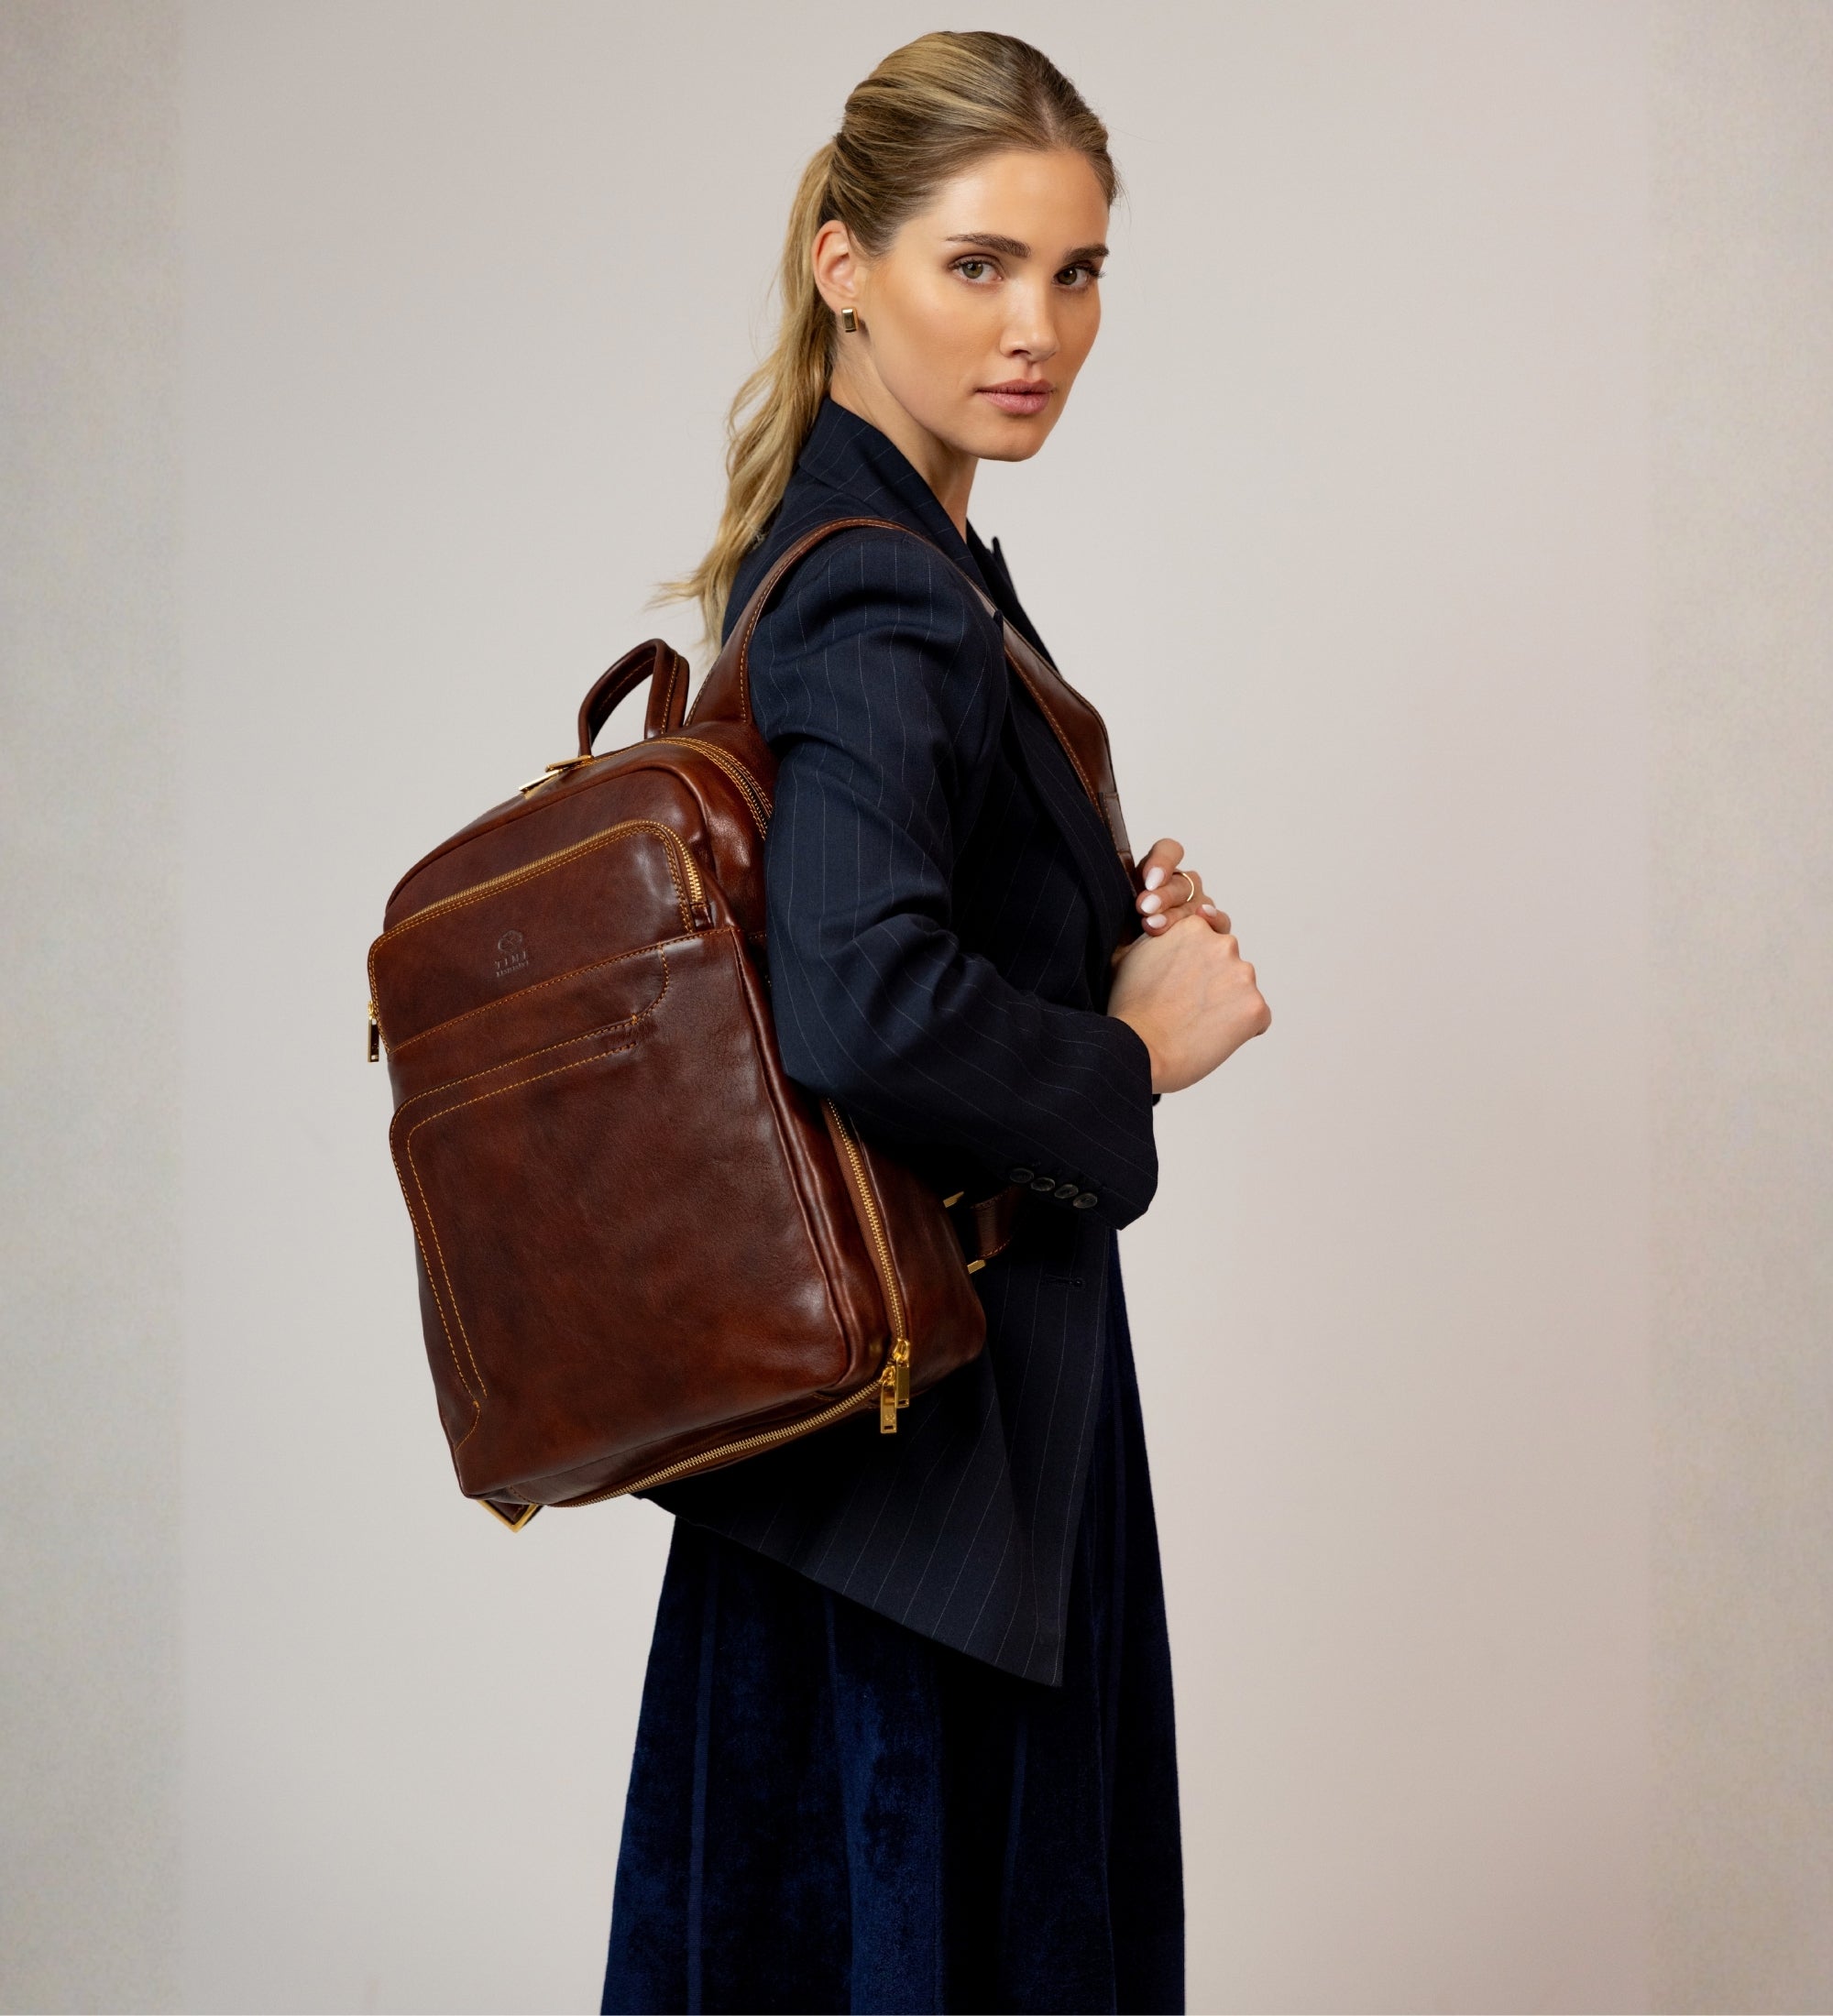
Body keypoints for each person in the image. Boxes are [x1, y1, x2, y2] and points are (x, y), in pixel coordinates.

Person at [600, 30, 1269, 2016]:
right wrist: (1134, 1049)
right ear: (846, 264)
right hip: (937, 1497)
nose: (1037, 327)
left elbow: (883, 947)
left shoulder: (898, 556)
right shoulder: (885, 592)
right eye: (978, 264)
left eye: (1075, 271)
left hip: (890, 1479)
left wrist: (1091, 944)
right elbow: (863, 1001)